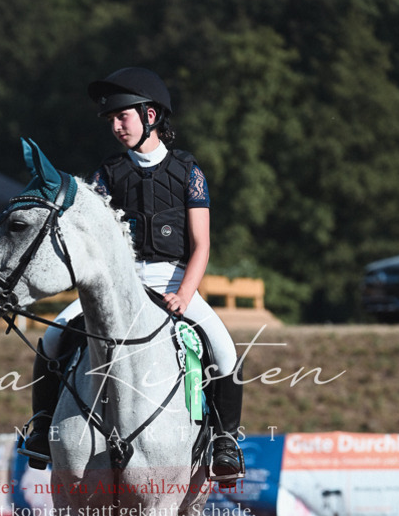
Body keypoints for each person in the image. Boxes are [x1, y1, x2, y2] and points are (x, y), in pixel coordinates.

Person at [20, 66, 243, 482]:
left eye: (123, 116)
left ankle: (224, 441)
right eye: (111, 120)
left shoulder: (188, 172)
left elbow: (202, 245)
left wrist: (184, 294)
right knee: (51, 339)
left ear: (151, 116)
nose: (117, 126)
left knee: (224, 349)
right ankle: (42, 427)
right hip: (118, 283)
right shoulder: (106, 174)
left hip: (172, 280)